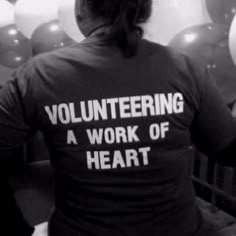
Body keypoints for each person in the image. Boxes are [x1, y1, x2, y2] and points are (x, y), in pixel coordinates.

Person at [1, 0, 236, 235]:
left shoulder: (37, 74)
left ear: (81, 10)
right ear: (144, 12)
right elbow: (227, 149)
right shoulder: (185, 67)